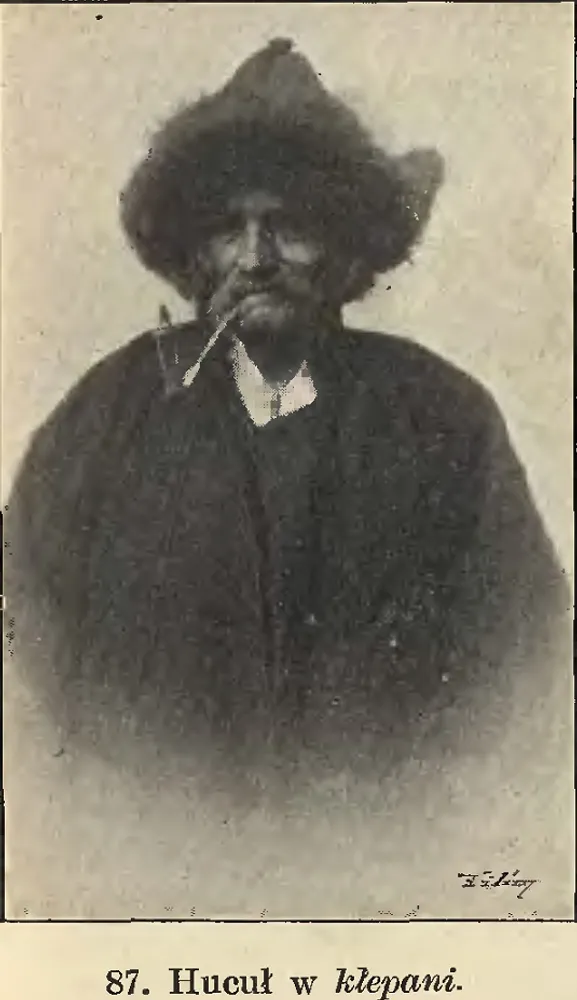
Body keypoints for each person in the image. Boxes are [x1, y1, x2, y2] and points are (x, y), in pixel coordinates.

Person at [6, 39, 569, 773]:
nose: (256, 258)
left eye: (291, 225)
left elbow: (529, 686)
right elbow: (22, 672)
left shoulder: (444, 423)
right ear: (193, 253)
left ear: (344, 249)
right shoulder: (104, 419)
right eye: (226, 229)